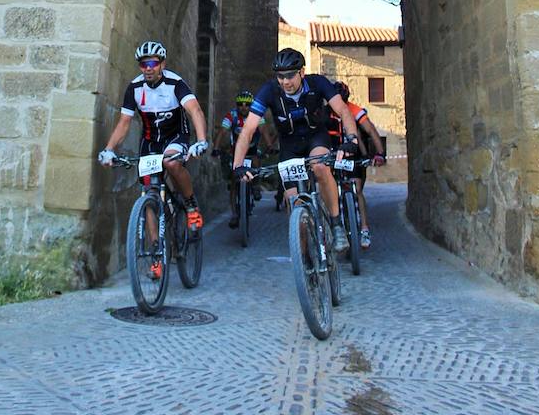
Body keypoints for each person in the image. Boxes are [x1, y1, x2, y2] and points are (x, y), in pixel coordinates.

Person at [232, 48, 359, 253]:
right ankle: (306, 260)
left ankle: (336, 225)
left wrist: (352, 138)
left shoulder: (317, 83)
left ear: (301, 72)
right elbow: (248, 130)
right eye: (280, 76)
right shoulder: (269, 90)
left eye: (290, 75)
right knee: (294, 204)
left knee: (319, 166)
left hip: (315, 137)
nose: (285, 82)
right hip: (289, 145)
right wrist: (237, 165)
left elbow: (343, 110)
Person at [98, 41, 208, 274]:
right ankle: (156, 253)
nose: (148, 68)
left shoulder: (175, 84)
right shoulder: (135, 89)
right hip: (150, 143)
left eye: (152, 63)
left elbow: (195, 110)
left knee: (170, 161)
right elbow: (124, 123)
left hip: (176, 136)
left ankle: (190, 205)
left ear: (162, 64)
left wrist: (200, 141)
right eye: (143, 64)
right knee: (148, 194)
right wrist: (109, 148)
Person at [328, 82, 386, 249]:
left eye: (344, 101)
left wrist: (380, 153)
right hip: (334, 155)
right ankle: (331, 225)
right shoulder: (325, 113)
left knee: (357, 190)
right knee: (326, 186)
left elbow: (371, 130)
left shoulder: (354, 110)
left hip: (355, 156)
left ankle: (364, 228)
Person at [212, 90, 273, 228]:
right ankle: (234, 214)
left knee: (256, 160)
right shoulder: (232, 115)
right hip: (237, 151)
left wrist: (269, 145)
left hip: (252, 149)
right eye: (240, 104)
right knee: (234, 182)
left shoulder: (257, 114)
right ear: (237, 105)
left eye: (247, 104)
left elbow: (263, 130)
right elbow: (222, 132)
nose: (244, 107)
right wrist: (215, 148)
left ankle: (256, 185)